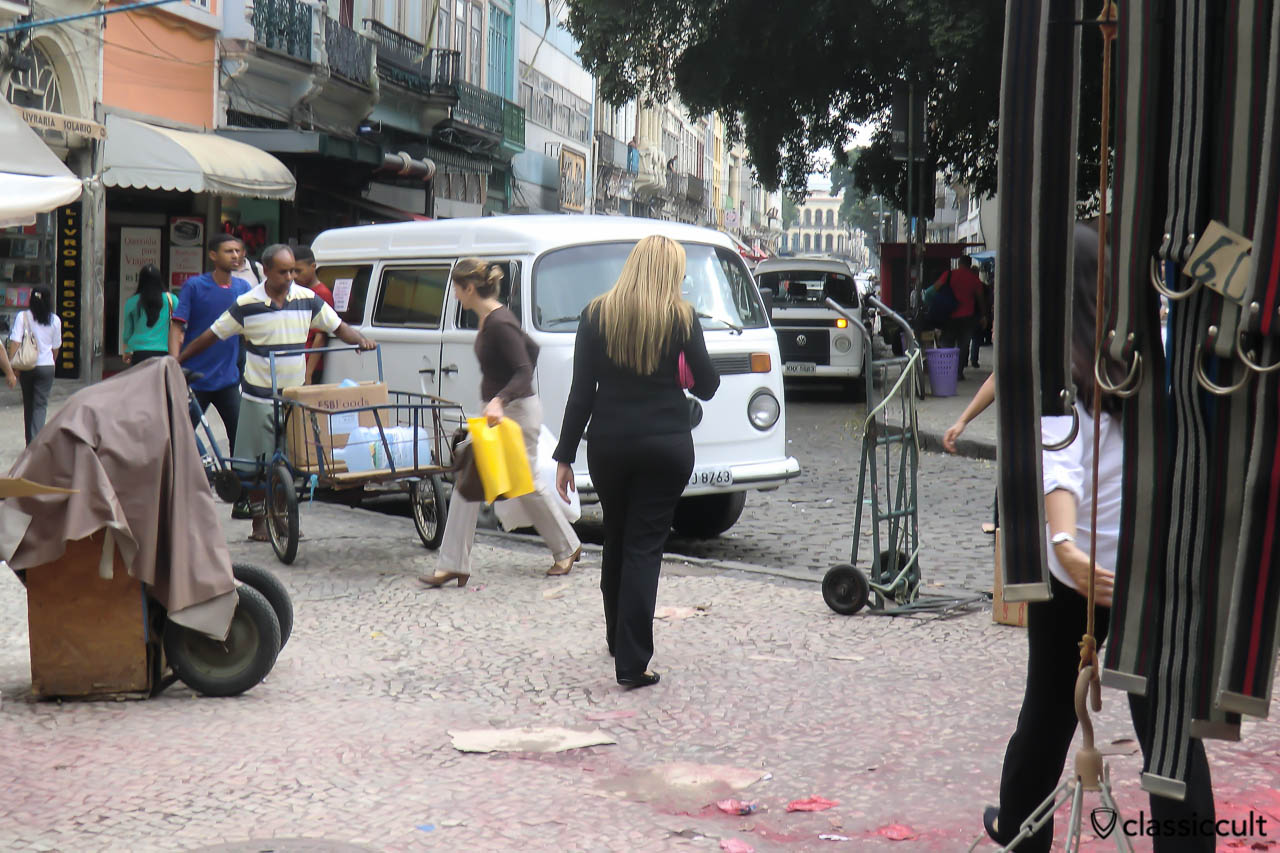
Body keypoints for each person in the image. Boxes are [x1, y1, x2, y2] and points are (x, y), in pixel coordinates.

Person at [984, 223, 1214, 852]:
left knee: (1048, 715)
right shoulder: (1157, 360)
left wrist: (1064, 548)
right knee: (1169, 735)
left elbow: (1058, 465)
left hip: (1078, 575)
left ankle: (1019, 835)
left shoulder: (1054, 371)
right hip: (1146, 569)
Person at [553, 235, 720, 689]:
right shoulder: (681, 317)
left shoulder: (595, 314)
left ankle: (615, 637)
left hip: (609, 444)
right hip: (666, 446)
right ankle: (632, 661)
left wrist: (565, 455)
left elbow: (581, 392)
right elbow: (707, 385)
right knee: (645, 546)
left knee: (617, 535)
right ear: (669, 273)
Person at [178, 244, 375, 541]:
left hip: (294, 396)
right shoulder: (246, 304)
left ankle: (281, 518)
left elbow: (338, 326)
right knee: (257, 465)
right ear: (267, 271)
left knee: (290, 463)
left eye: (293, 271)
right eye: (283, 272)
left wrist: (360, 340)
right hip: (258, 397)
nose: (290, 277)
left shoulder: (307, 299)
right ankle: (259, 523)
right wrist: (177, 360)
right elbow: (211, 335)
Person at [422, 259, 583, 588]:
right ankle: (453, 564)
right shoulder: (490, 319)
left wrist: (500, 399)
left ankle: (567, 547)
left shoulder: (499, 322)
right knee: (469, 481)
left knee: (524, 484)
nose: (454, 294)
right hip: (501, 413)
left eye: (456, 288)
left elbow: (524, 367)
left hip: (516, 414)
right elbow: (532, 350)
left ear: (469, 288)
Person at [170, 234, 255, 451]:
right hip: (195, 378)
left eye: (238, 251)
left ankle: (240, 481)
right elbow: (177, 325)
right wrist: (173, 363)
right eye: (229, 251)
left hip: (228, 379)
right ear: (213, 255)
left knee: (240, 437)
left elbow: (251, 329)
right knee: (178, 435)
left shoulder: (244, 288)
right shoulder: (195, 286)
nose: (235, 255)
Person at [8, 286, 60, 444]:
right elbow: (56, 347)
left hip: (26, 367)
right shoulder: (55, 320)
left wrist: (13, 367)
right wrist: (52, 362)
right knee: (40, 406)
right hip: (46, 367)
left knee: (29, 405)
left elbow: (15, 343)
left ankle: (30, 443)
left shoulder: (22, 317)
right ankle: (36, 445)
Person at [936, 255, 986, 379]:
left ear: (959, 263)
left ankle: (946, 371)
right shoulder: (974, 279)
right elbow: (981, 299)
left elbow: (935, 290)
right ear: (969, 265)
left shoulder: (949, 275)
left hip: (949, 317)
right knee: (963, 347)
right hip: (967, 318)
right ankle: (958, 373)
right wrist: (984, 315)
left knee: (947, 343)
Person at [294, 246, 335, 384]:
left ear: (313, 267)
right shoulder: (299, 291)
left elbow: (320, 336)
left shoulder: (321, 294)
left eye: (298, 271)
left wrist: (308, 373)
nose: (294, 276)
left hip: (309, 364)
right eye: (291, 271)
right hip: (297, 361)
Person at [122, 264, 177, 366]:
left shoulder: (131, 302)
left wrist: (126, 351)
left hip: (138, 353)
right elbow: (179, 326)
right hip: (163, 352)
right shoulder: (172, 300)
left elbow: (127, 333)